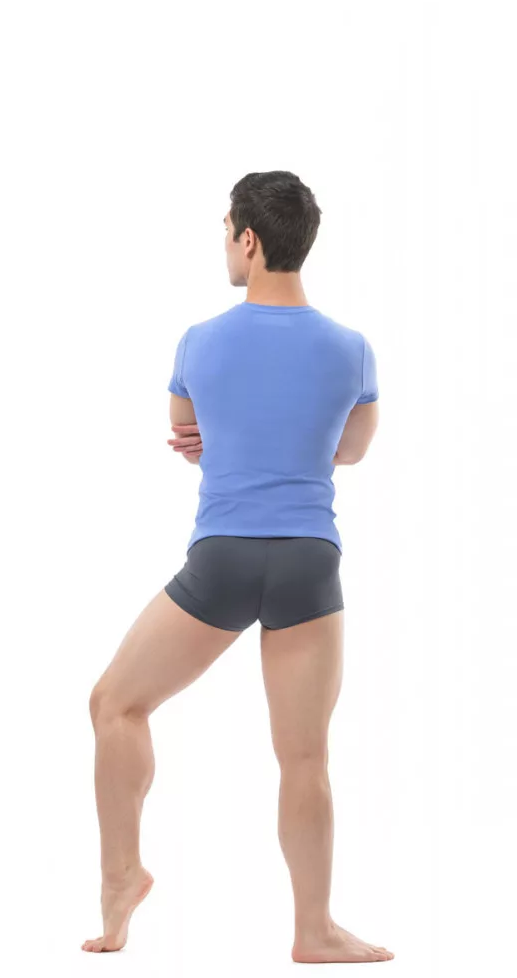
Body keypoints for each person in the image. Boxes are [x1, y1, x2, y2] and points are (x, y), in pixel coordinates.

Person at [82, 171, 393, 963]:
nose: (224, 244)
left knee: (116, 704)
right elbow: (350, 451)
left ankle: (122, 879)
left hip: (221, 561)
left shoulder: (200, 342)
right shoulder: (351, 349)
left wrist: (224, 442)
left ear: (249, 240)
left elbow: (190, 436)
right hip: (309, 564)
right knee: (306, 758)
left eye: (227, 230)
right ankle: (315, 930)